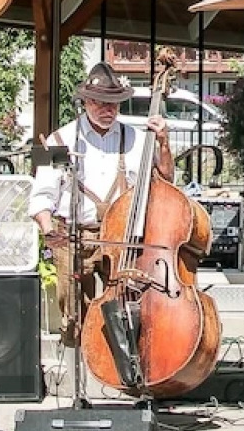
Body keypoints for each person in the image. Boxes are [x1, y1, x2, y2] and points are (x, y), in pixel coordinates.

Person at [30, 62, 174, 344]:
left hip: (122, 237)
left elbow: (167, 180)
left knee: (126, 308)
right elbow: (40, 196)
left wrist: (164, 143)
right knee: (72, 311)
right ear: (85, 101)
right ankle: (79, 364)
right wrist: (49, 230)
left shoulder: (136, 137)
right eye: (101, 103)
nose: (108, 110)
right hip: (76, 235)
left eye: (115, 104)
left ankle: (121, 368)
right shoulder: (59, 139)